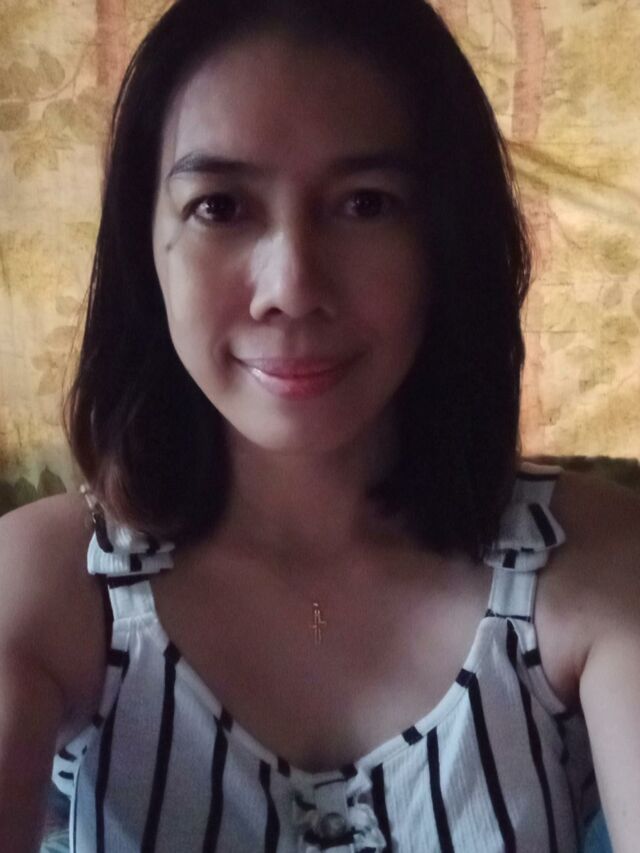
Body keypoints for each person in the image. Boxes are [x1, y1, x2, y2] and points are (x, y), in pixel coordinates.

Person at [0, 0, 638, 850]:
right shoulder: (45, 585)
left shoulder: (600, 562)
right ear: (142, 247)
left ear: (445, 239)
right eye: (220, 206)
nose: (292, 287)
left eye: (366, 204)